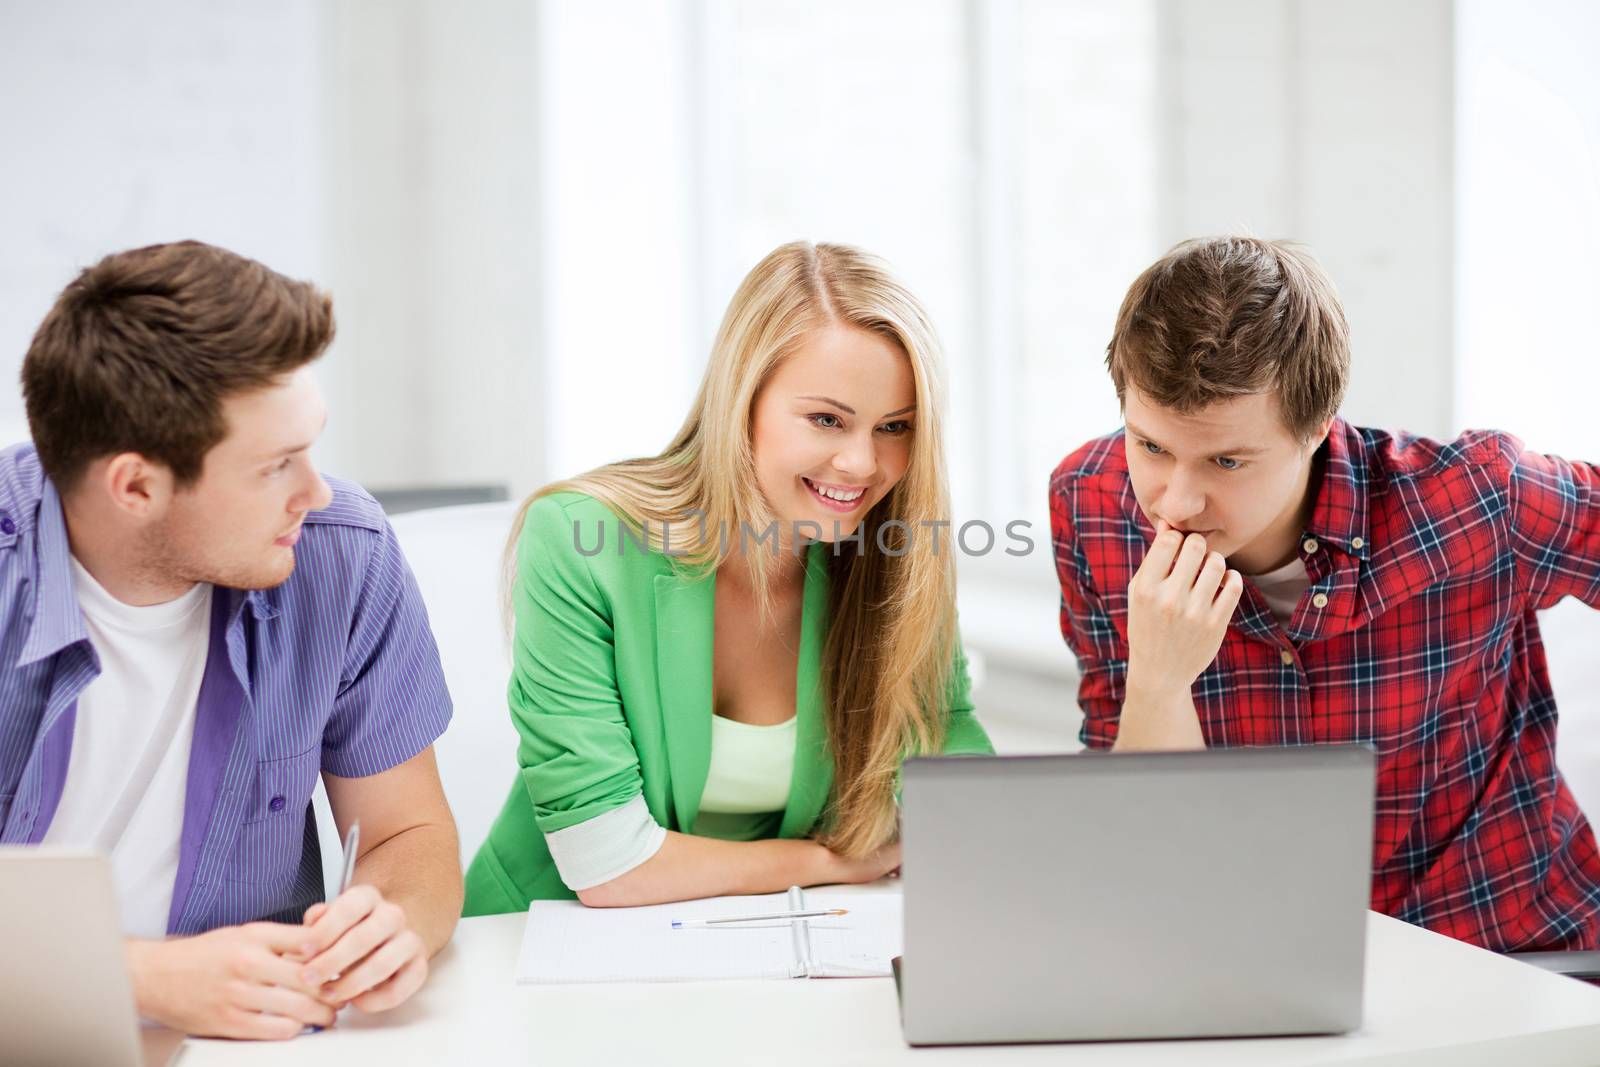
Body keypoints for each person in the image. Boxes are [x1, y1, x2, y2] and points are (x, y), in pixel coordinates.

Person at [1048, 234, 1600, 953]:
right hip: (1263, 970)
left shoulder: (1478, 499)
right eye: (1151, 446)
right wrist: (1158, 680)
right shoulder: (1090, 507)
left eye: (1226, 459)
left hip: (1514, 953)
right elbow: (1146, 851)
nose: (1176, 501)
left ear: (1316, 427)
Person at [1, 241, 462, 1038]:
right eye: (276, 465)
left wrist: (390, 920)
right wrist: (140, 976)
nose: (314, 492)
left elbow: (408, 833)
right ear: (136, 485)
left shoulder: (340, 554)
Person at [464, 241, 990, 913]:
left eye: (895, 427)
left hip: (769, 950)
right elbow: (608, 863)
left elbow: (960, 785)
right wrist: (826, 862)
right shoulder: (578, 540)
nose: (862, 463)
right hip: (539, 945)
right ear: (743, 402)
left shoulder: (897, 554)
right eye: (826, 418)